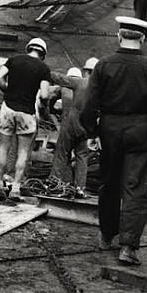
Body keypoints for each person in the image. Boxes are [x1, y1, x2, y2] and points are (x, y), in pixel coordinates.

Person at [81, 16, 147, 266]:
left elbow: (90, 103)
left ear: (119, 36)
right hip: (141, 131)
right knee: (136, 188)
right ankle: (128, 247)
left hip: (110, 130)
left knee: (109, 184)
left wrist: (91, 132)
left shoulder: (104, 66)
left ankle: (106, 236)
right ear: (143, 38)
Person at [0, 37, 52, 201]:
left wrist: (7, 90)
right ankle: (15, 189)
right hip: (27, 112)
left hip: (8, 108)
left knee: (3, 146)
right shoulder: (44, 69)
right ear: (43, 54)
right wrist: (44, 105)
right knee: (23, 151)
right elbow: (45, 94)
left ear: (29, 48)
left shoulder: (14, 60)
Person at [47, 66, 92, 198]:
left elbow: (52, 100)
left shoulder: (66, 86)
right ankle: (80, 188)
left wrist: (52, 110)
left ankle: (55, 183)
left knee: (61, 154)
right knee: (82, 156)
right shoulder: (95, 89)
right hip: (84, 126)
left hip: (69, 124)